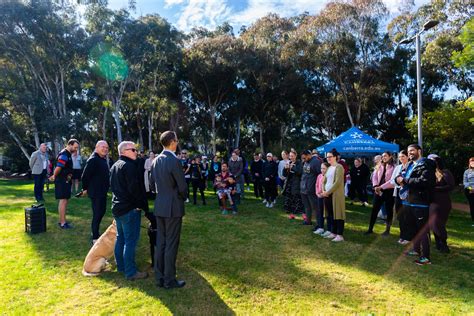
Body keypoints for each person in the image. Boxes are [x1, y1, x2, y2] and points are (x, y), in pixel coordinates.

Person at [150, 131, 187, 289]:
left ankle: (160, 277)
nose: (177, 143)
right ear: (172, 142)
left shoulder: (155, 161)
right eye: (177, 140)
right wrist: (180, 197)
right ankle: (169, 280)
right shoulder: (174, 160)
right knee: (171, 243)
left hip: (160, 205)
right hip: (173, 207)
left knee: (161, 243)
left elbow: (152, 186)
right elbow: (183, 187)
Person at [110, 141, 148, 280]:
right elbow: (134, 190)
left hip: (118, 208)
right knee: (130, 241)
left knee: (121, 238)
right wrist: (140, 206)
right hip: (128, 209)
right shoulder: (129, 166)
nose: (136, 152)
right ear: (124, 151)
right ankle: (130, 272)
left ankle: (121, 266)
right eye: (133, 150)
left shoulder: (115, 165)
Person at [396, 144, 436, 266]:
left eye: (412, 150)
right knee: (413, 228)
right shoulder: (410, 165)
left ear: (419, 151)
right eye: (408, 151)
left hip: (420, 203)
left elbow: (425, 181)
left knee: (423, 230)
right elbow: (403, 177)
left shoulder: (426, 164)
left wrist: (405, 181)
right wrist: (398, 179)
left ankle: (426, 257)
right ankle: (416, 250)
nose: (410, 153)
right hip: (408, 201)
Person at [81, 140, 110, 244]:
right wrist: (84, 189)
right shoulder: (93, 159)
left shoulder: (101, 159)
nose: (105, 149)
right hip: (96, 192)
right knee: (97, 214)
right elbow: (85, 176)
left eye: (107, 148)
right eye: (103, 147)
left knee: (101, 212)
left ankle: (95, 232)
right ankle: (95, 237)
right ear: (96, 147)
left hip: (102, 191)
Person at [49, 139, 79, 229]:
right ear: (69, 145)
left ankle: (62, 221)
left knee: (64, 201)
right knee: (63, 201)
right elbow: (59, 167)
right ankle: (62, 223)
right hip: (62, 181)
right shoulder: (64, 154)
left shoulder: (68, 154)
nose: (76, 149)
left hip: (65, 180)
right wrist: (54, 175)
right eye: (75, 147)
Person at [428, 155, 455, 253]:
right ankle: (438, 243)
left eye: (433, 161)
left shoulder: (445, 172)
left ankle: (444, 244)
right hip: (432, 202)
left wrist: (435, 189)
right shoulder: (429, 173)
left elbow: (451, 186)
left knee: (439, 224)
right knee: (433, 223)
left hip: (443, 202)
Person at [365, 151, 395, 236]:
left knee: (389, 211)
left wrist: (381, 187)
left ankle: (387, 230)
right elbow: (374, 176)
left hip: (389, 191)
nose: (383, 157)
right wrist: (375, 186)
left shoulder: (394, 167)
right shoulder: (379, 166)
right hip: (378, 191)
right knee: (375, 210)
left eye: (385, 156)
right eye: (382, 156)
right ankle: (370, 229)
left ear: (390, 157)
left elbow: (392, 181)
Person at [321, 149, 346, 242]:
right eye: (327, 157)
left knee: (338, 214)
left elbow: (338, 182)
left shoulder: (339, 167)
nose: (328, 158)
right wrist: (324, 190)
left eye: (330, 157)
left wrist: (328, 192)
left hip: (335, 195)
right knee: (331, 214)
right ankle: (333, 232)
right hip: (327, 195)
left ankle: (340, 234)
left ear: (335, 157)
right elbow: (324, 181)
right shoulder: (329, 167)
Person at [389, 150, 413, 245]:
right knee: (400, 216)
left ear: (407, 157)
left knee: (407, 215)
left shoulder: (411, 167)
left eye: (403, 156)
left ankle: (408, 237)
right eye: (399, 157)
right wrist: (398, 182)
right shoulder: (398, 167)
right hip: (398, 192)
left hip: (408, 193)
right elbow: (392, 180)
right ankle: (402, 236)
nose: (401, 158)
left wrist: (403, 182)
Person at [300, 150, 321, 226]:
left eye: (304, 158)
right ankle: (308, 221)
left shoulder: (316, 162)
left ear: (309, 155)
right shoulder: (305, 162)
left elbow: (320, 175)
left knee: (315, 208)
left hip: (311, 189)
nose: (303, 160)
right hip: (303, 189)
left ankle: (319, 224)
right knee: (307, 206)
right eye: (302, 158)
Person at [283, 150, 303, 219]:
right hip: (289, 183)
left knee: (295, 196)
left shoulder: (299, 163)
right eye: (290, 156)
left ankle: (297, 210)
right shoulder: (289, 162)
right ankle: (288, 209)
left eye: (292, 156)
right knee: (289, 196)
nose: (291, 157)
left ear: (295, 156)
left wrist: (292, 167)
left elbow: (300, 172)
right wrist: (285, 169)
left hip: (296, 183)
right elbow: (284, 174)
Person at [314, 162, 331, 235]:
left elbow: (329, 187)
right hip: (319, 197)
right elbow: (317, 185)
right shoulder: (319, 176)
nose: (322, 170)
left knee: (327, 213)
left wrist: (323, 194)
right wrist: (317, 193)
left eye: (324, 168)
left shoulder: (329, 177)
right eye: (321, 168)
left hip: (326, 197)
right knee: (320, 212)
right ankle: (320, 227)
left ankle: (329, 229)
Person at [463, 157, 474, 226]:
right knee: (472, 206)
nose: (473, 163)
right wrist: (471, 189)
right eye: (471, 162)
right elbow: (465, 182)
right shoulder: (467, 172)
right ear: (469, 163)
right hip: (469, 191)